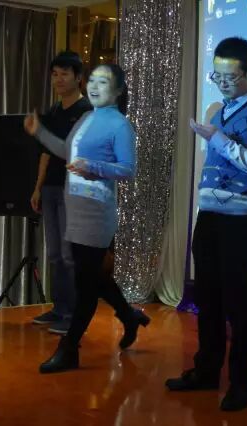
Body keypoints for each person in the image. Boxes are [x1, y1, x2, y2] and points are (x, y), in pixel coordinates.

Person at [165, 37, 247, 411]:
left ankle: (242, 383)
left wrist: (216, 139)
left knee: (238, 304)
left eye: (229, 76)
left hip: (240, 221)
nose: (222, 83)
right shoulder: (221, 112)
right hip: (210, 217)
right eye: (217, 76)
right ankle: (206, 371)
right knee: (208, 300)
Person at [24, 63, 150, 374]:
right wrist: (39, 132)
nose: (94, 87)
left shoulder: (120, 125)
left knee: (86, 285)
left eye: (103, 83)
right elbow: (66, 152)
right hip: (75, 208)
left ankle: (69, 348)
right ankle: (129, 315)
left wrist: (93, 167)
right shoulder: (86, 118)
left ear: (117, 91)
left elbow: (128, 170)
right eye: (92, 81)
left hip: (97, 212)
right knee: (93, 277)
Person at [31, 51, 92, 335]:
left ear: (78, 78)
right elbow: (45, 152)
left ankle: (73, 315)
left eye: (64, 74)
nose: (58, 79)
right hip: (52, 188)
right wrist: (38, 187)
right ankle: (59, 308)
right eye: (54, 74)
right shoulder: (54, 111)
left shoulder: (86, 111)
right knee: (54, 253)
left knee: (70, 255)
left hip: (73, 190)